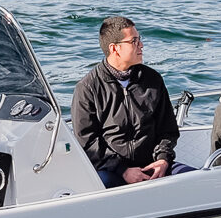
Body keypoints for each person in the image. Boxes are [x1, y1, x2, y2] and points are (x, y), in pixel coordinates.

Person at [72, 16, 187, 188]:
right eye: (134, 41)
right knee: (100, 186)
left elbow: (168, 130)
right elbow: (87, 142)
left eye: (140, 40)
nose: (141, 45)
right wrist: (122, 170)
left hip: (153, 165)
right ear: (115, 48)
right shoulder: (88, 88)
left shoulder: (152, 79)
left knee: (196, 179)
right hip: (112, 171)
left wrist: (163, 160)